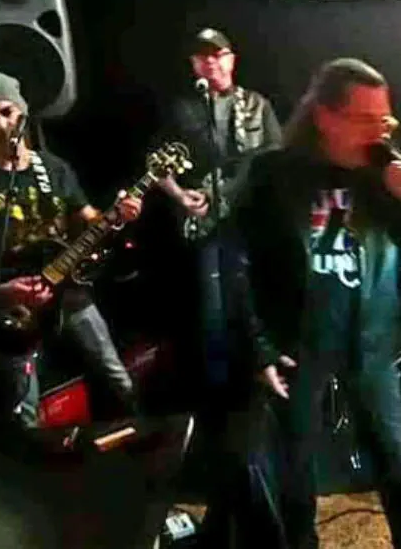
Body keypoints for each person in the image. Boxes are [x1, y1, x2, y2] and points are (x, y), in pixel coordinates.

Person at [236, 58, 401, 548]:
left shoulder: (381, 176)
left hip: (371, 344)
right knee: (296, 469)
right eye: (364, 120)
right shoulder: (274, 174)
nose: (379, 133)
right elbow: (234, 265)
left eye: (384, 121)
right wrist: (259, 348)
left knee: (397, 462)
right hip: (298, 344)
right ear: (325, 117)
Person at [154, 28, 283, 546]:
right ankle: (216, 415)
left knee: (254, 306)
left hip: (249, 225)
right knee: (212, 317)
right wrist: (181, 197)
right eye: (204, 57)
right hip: (208, 228)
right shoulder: (183, 111)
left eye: (220, 55)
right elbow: (155, 164)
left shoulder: (258, 106)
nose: (213, 64)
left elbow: (274, 162)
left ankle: (257, 392)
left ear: (233, 58)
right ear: (194, 65)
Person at [0, 70, 142, 427]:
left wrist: (117, 216)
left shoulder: (53, 168)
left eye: (5, 112)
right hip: (14, 305)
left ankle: (142, 435)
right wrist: (3, 293)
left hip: (68, 290)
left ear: (23, 114)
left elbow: (90, 219)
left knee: (115, 374)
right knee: (23, 405)